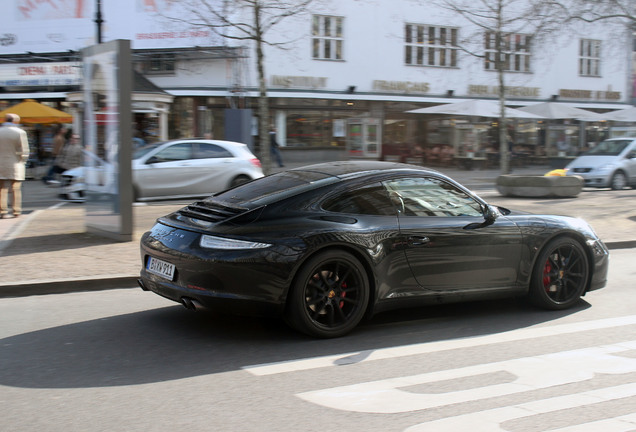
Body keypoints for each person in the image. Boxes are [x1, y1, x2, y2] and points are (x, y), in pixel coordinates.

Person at [0, 113, 30, 219]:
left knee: (1, 188)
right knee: (15, 188)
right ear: (15, 121)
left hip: (0, 164)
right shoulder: (20, 132)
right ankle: (16, 210)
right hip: (15, 163)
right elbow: (24, 151)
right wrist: (22, 161)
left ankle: (2, 211)